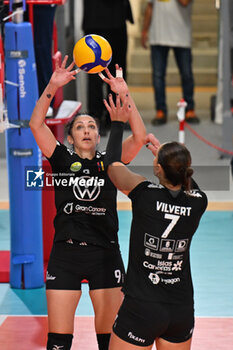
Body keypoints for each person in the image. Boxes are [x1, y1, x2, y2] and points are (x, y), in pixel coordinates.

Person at [29, 56, 146, 350]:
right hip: (65, 254)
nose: (86, 130)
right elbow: (35, 123)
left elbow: (141, 136)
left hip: (104, 254)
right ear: (70, 137)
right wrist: (52, 87)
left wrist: (125, 94)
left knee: (108, 341)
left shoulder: (112, 161)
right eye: (80, 126)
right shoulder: (61, 159)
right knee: (58, 341)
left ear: (98, 135)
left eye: (92, 126)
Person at [102, 92, 208, 349]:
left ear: (158, 169)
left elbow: (112, 165)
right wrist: (170, 158)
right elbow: (186, 182)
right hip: (181, 308)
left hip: (142, 305)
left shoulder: (144, 194)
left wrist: (118, 123)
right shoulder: (198, 201)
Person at [142, 0, 199, 125]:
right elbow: (150, 6)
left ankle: (189, 108)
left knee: (186, 74)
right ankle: (160, 110)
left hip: (181, 35)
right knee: (158, 76)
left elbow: (184, 2)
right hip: (158, 35)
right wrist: (144, 30)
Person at [82, 0, 134, 135]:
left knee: (118, 72)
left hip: (118, 21)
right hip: (96, 21)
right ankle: (96, 117)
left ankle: (115, 116)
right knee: (95, 73)